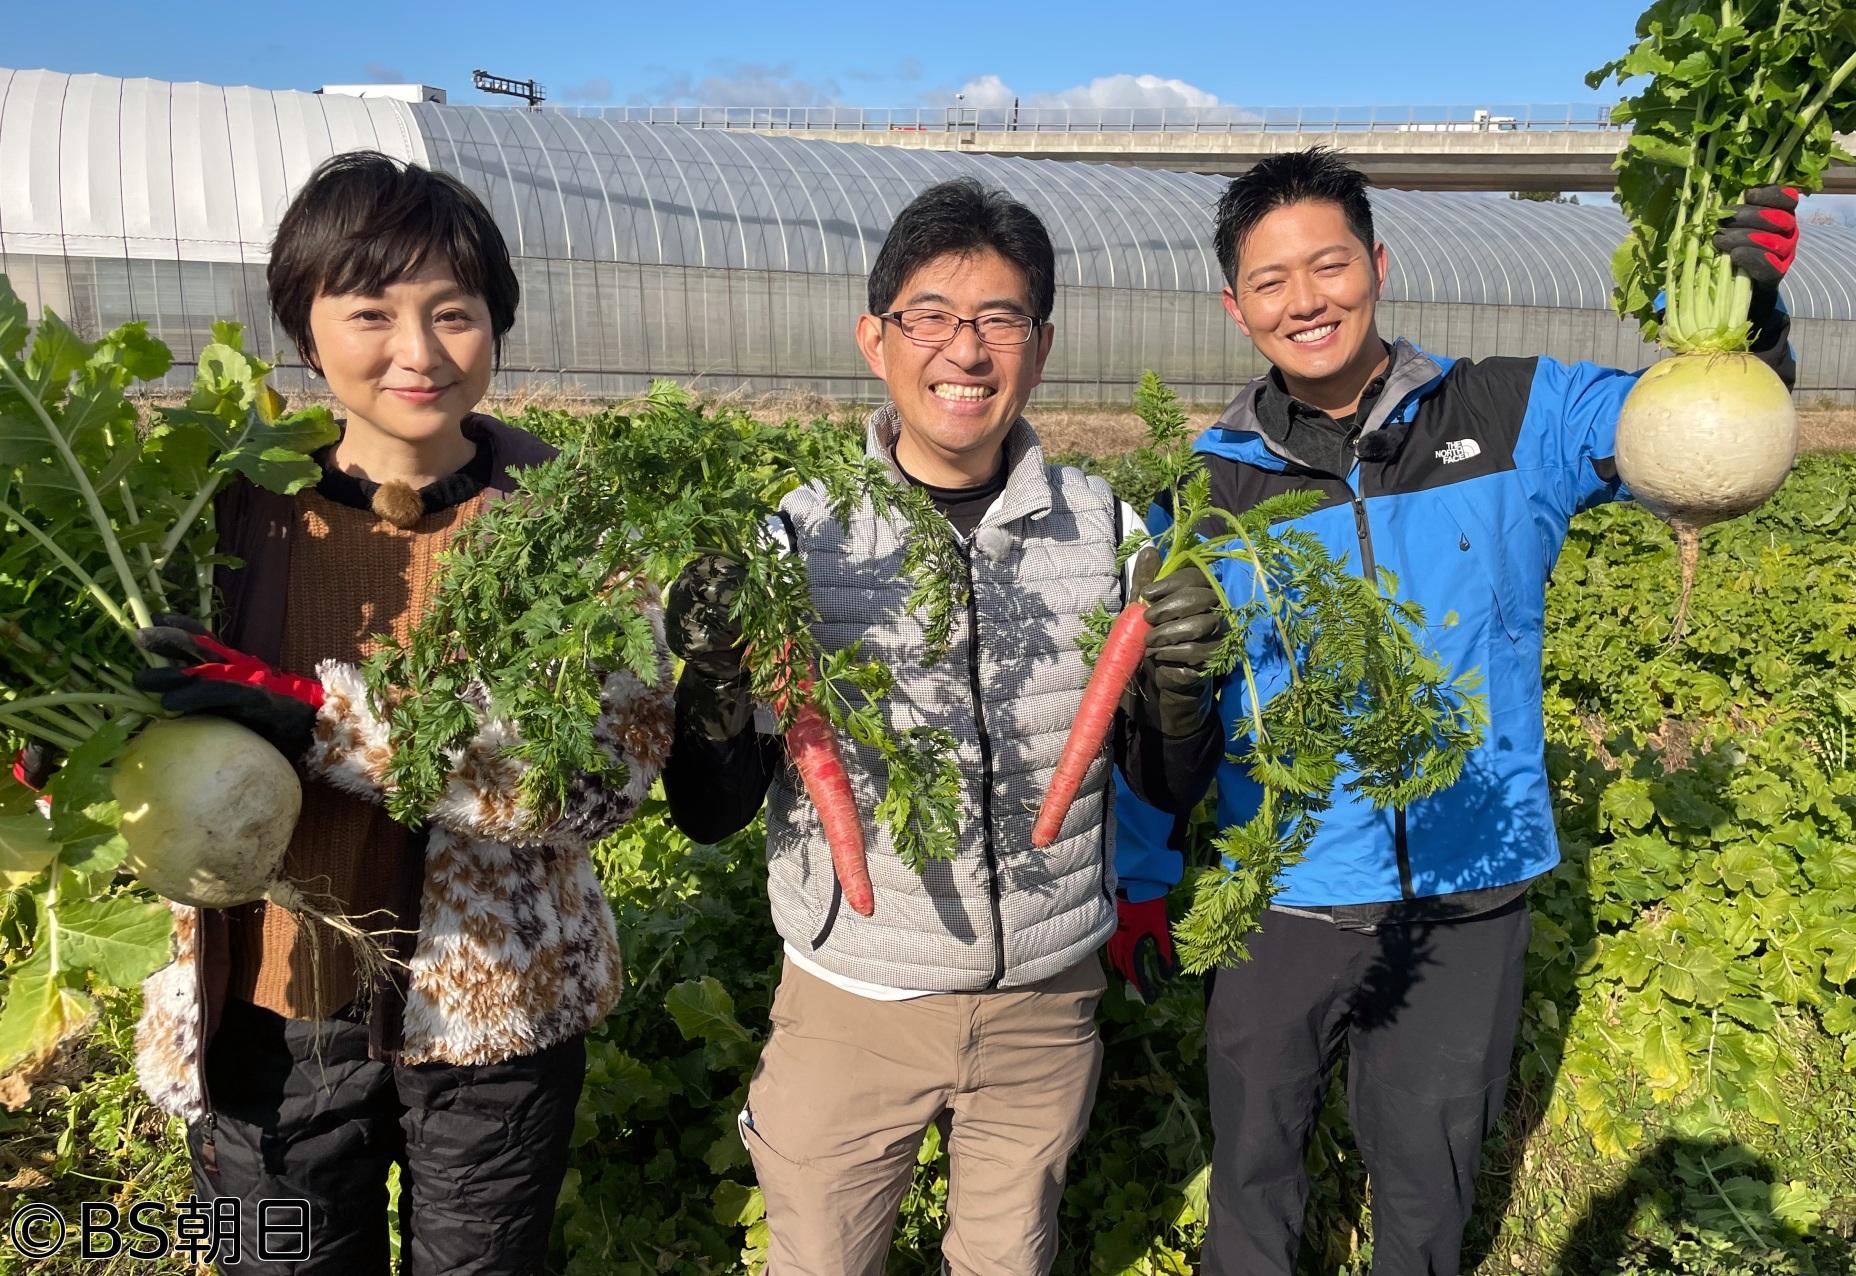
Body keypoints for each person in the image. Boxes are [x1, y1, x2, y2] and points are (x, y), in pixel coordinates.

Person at [1118, 147, 1800, 1276]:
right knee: (1249, 1181)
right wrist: (1140, 879)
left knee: (1427, 1191)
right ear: (1236, 310)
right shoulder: (1201, 491)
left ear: (1375, 265)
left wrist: (1744, 329)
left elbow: (1692, 448)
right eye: (1272, 281)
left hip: (1467, 890)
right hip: (1280, 896)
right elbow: (1161, 703)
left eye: (1328, 265)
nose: (1308, 300)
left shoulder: (1514, 409)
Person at [660, 177, 1224, 1275]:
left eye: (998, 319)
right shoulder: (795, 539)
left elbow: (1162, 787)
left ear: (1040, 344)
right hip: (849, 1003)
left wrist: (1178, 691)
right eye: (931, 315)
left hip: (1043, 1008)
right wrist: (714, 687)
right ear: (875, 337)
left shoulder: (1112, 533)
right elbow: (708, 809)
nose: (964, 351)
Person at [130, 151, 674, 1274]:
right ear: (306, 324)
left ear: (495, 324)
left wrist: (318, 722)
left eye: (453, 314)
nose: (416, 353)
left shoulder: (573, 519)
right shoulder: (218, 504)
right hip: (263, 1022)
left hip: (490, 1025)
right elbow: (137, 709)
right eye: (371, 310)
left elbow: (597, 780)